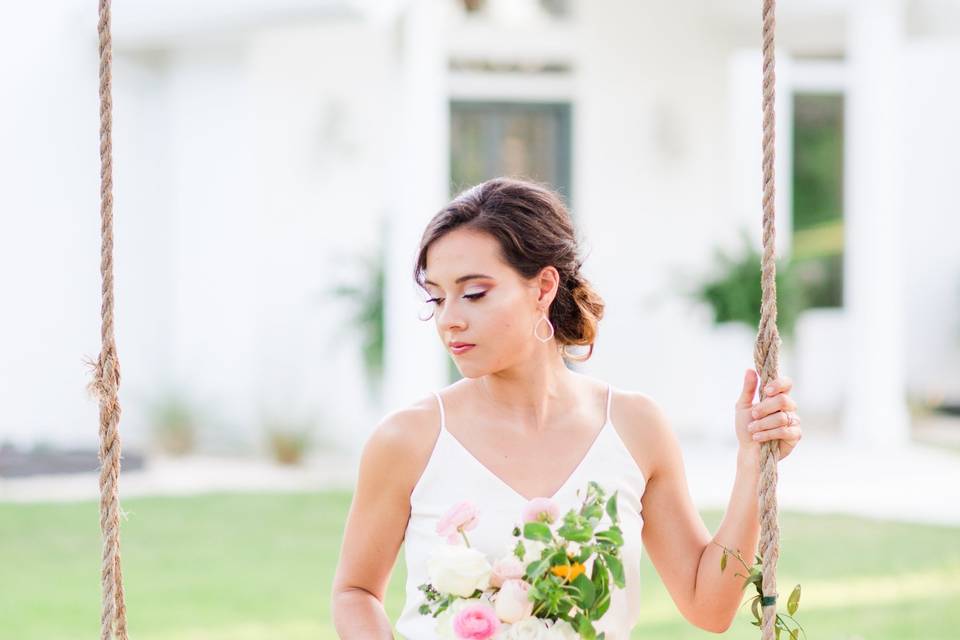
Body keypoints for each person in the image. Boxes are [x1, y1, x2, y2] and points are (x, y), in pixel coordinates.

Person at [331, 177, 802, 639]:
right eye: (437, 297)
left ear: (542, 288)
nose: (450, 318)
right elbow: (355, 591)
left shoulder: (635, 428)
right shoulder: (408, 439)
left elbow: (709, 606)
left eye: (474, 293)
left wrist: (751, 461)